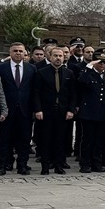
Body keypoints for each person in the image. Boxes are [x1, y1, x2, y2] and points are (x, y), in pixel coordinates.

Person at [32, 47, 77, 175]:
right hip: (46, 112)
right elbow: (36, 93)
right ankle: (45, 166)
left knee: (60, 139)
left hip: (63, 112)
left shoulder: (69, 73)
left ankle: (59, 165)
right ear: (50, 57)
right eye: (55, 56)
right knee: (45, 139)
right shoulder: (41, 72)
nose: (58, 58)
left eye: (60, 56)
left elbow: (73, 94)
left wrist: (71, 110)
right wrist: (38, 109)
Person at [0, 43, 35, 175]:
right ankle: (4, 164)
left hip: (25, 110)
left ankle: (22, 165)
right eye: (15, 51)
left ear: (25, 53)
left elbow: (35, 90)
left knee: (24, 139)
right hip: (6, 109)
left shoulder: (31, 69)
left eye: (20, 51)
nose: (18, 53)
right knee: (4, 139)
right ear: (10, 53)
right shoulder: (0, 68)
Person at [75, 52, 105, 173]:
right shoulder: (88, 74)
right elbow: (81, 82)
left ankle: (97, 163)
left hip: (103, 113)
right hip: (89, 112)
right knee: (88, 140)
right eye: (100, 62)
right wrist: (89, 67)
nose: (102, 64)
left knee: (99, 140)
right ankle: (85, 163)